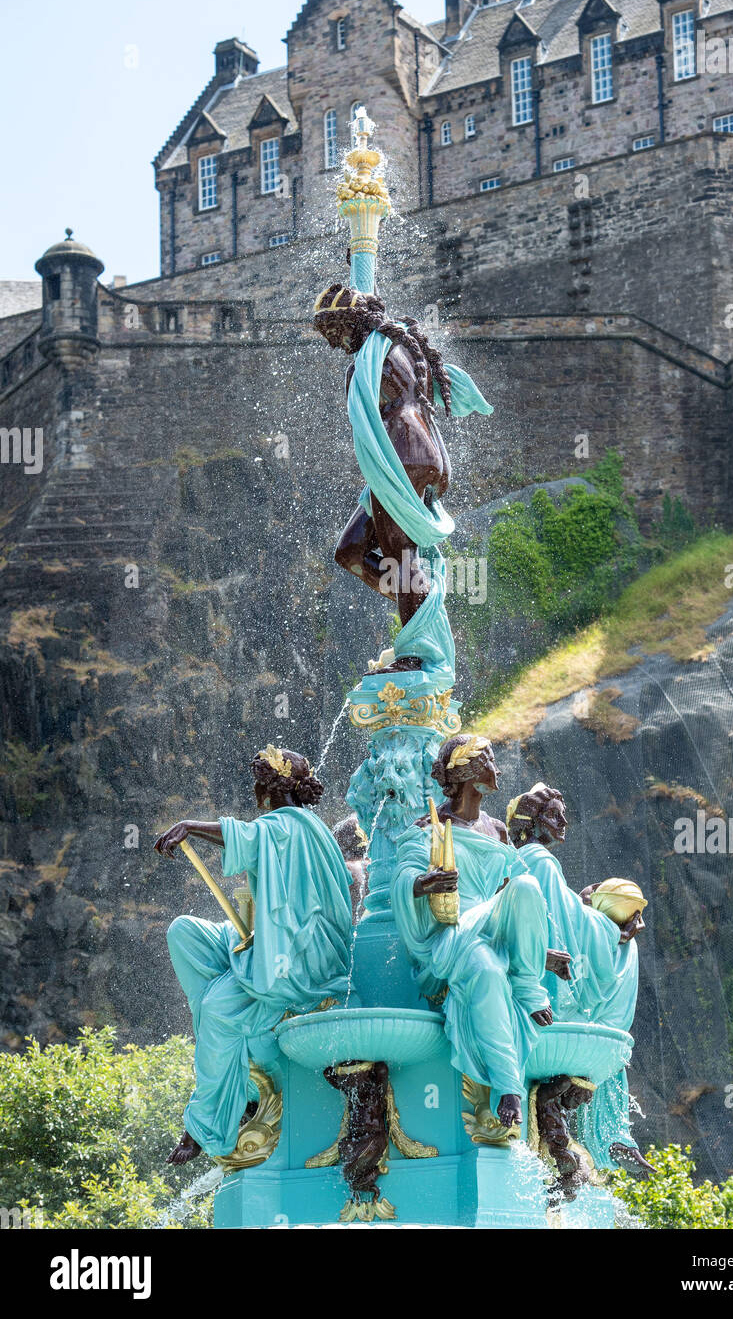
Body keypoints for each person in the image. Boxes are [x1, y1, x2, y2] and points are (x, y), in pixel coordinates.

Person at [154, 746, 354, 1163]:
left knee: (217, 1009)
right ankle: (233, 1051)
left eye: (258, 783)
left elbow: (246, 836)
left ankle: (206, 1124)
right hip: (276, 942)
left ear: (269, 788)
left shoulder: (291, 824)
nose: (254, 792)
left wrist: (189, 826)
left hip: (302, 962)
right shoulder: (294, 825)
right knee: (186, 934)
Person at [390, 735, 570, 1128]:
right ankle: (509, 1087)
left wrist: (538, 954)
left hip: (493, 928)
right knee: (486, 969)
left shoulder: (499, 832)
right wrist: (424, 884)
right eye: (489, 760)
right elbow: (401, 877)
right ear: (469, 772)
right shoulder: (432, 826)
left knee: (526, 886)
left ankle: (527, 985)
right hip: (453, 936)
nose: (498, 768)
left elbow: (522, 902)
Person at [313, 284, 492, 670]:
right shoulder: (393, 344)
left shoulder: (375, 352)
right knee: (350, 552)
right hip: (417, 455)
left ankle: (416, 650)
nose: (333, 344)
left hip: (404, 454)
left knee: (402, 556)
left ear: (352, 321)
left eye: (333, 332)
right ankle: (420, 607)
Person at [506, 783, 655, 1176]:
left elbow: (562, 911)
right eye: (555, 813)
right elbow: (565, 921)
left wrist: (588, 904)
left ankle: (603, 1136)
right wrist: (609, 925)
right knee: (626, 953)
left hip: (531, 976)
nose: (565, 820)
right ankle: (610, 1135)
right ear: (534, 821)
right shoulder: (537, 859)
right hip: (541, 983)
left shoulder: (528, 859)